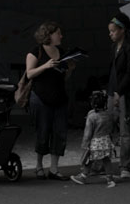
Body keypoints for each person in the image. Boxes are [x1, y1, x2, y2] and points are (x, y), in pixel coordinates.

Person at [26, 21, 76, 180]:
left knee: (60, 132)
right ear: (48, 35)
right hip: (40, 98)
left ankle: (54, 168)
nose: (61, 36)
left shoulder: (62, 52)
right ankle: (39, 166)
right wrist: (46, 66)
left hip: (59, 97)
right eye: (58, 33)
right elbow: (29, 74)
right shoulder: (36, 52)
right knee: (43, 131)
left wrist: (70, 70)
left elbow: (63, 78)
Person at [107, 12, 130, 179]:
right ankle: (104, 164)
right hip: (114, 89)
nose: (111, 34)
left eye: (113, 31)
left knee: (125, 130)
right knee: (109, 126)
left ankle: (125, 166)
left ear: (122, 30)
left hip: (125, 92)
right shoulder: (115, 47)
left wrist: (119, 92)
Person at [70, 91, 117, 188]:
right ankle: (110, 179)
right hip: (106, 140)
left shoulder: (91, 116)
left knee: (89, 160)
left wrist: (85, 144)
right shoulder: (108, 115)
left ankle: (83, 177)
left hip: (95, 142)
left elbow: (88, 134)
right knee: (106, 160)